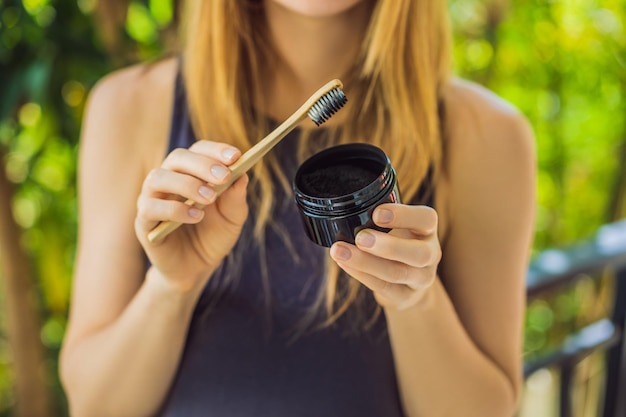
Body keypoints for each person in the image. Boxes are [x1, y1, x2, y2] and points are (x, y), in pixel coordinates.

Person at [59, 0, 536, 416]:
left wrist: (415, 300)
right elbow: (95, 406)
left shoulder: (488, 136)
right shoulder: (128, 107)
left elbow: (486, 409)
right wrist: (170, 287)